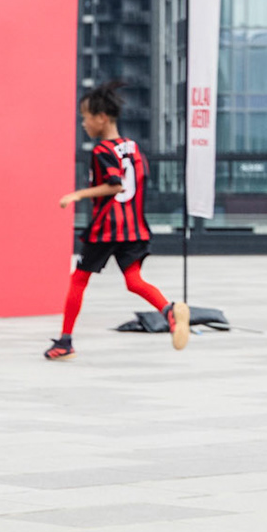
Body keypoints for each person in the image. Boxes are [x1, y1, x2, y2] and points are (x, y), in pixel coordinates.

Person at [47, 80, 190, 360]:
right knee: (134, 280)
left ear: (101, 118)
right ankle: (168, 310)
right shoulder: (134, 148)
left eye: (85, 118)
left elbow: (116, 186)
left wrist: (77, 195)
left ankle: (65, 342)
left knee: (78, 280)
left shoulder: (102, 151)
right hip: (135, 228)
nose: (83, 124)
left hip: (106, 229)